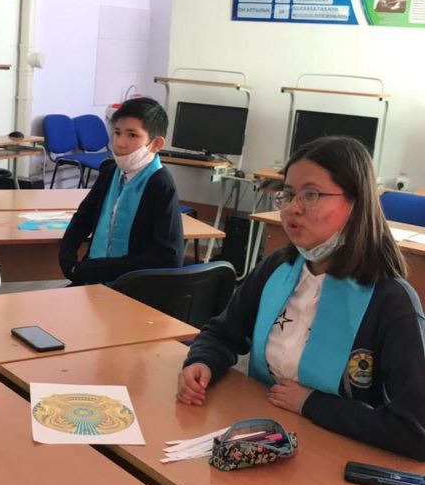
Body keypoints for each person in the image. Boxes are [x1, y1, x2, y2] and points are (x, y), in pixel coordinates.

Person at [177, 136, 425, 460]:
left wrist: (312, 403)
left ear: (356, 202)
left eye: (312, 194)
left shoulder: (391, 302)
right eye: (289, 193)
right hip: (263, 438)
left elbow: (415, 430)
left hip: (337, 457)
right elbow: (223, 333)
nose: (293, 208)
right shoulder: (277, 268)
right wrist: (202, 361)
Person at [59, 97, 184, 285]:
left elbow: (168, 257)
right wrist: (67, 254)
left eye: (132, 135)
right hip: (93, 279)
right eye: (117, 133)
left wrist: (101, 269)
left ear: (156, 144)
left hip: (133, 287)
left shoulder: (160, 183)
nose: (119, 143)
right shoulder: (110, 171)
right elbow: (84, 217)